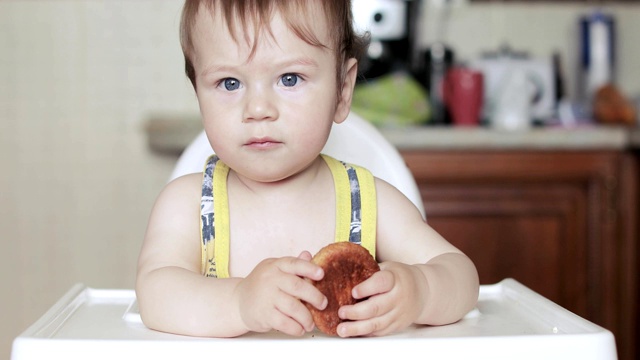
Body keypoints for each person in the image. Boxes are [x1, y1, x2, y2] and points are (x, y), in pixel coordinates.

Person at [136, 0, 479, 339]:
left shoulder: (371, 201)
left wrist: (420, 292)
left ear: (343, 90)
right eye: (229, 83)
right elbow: (154, 295)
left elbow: (462, 277)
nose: (258, 109)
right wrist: (238, 303)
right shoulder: (189, 204)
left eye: (289, 78)